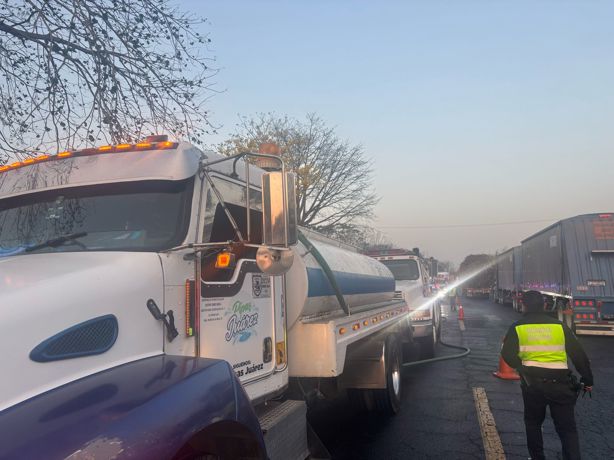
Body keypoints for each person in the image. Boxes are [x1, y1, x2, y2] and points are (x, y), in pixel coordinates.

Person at [501, 290, 593, 460]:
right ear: (544, 305)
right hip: (561, 385)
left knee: (533, 424)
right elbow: (578, 355)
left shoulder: (517, 327)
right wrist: (588, 379)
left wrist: (522, 367)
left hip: (532, 385)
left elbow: (507, 353)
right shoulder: (559, 326)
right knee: (567, 429)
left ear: (524, 306)